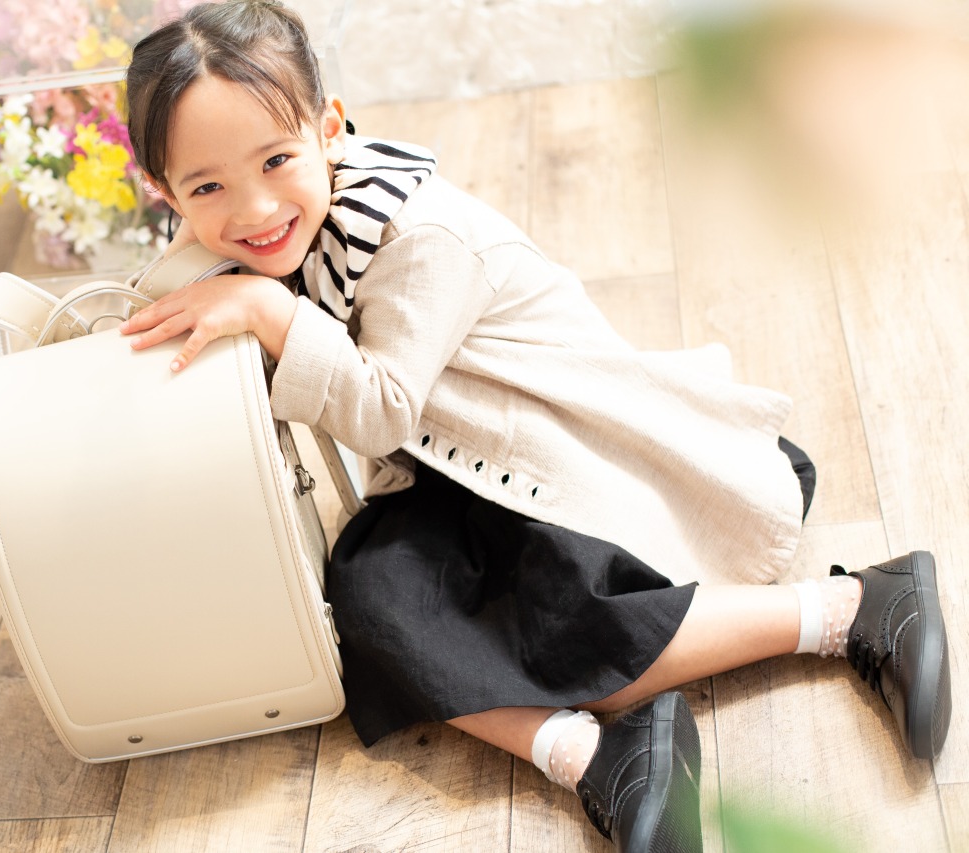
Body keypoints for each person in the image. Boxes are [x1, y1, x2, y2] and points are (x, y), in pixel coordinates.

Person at [117, 2, 953, 850]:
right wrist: (203, 277)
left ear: (328, 129)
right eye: (208, 186)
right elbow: (173, 307)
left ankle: (852, 606)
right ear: (164, 191)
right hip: (452, 473)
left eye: (277, 160)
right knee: (366, 597)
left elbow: (381, 407)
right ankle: (595, 757)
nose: (255, 208)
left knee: (573, 623)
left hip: (558, 456)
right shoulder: (264, 237)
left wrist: (268, 311)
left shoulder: (418, 234)